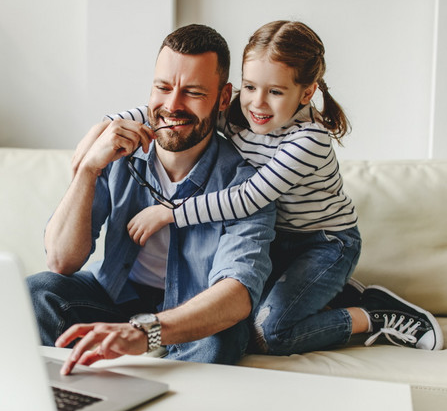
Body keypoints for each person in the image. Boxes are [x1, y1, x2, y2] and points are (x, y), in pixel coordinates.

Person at [87, 20, 444, 354]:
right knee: (227, 314)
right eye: (251, 87)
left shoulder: (309, 140)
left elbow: (249, 197)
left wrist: (171, 213)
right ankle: (327, 294)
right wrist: (104, 128)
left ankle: (372, 314)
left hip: (323, 243)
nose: (258, 103)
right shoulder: (240, 114)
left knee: (268, 333)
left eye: (275, 91)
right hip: (277, 238)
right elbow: (174, 113)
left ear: (306, 93)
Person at [27, 24, 276, 375]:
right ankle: (71, 398)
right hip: (116, 296)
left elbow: (235, 294)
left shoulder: (248, 184)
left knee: (224, 335)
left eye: (192, 92)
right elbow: (62, 261)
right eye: (162, 88)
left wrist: (147, 331)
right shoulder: (117, 152)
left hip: (192, 314)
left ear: (222, 98)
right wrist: (87, 170)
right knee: (39, 291)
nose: (172, 106)